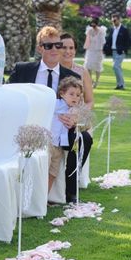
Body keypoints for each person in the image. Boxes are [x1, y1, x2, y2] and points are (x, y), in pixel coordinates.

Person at [48, 76, 93, 204]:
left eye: (78, 95)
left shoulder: (77, 108)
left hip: (65, 139)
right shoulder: (56, 104)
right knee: (52, 168)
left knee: (84, 139)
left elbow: (88, 123)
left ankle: (71, 190)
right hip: (52, 140)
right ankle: (43, 197)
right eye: (72, 94)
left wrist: (77, 119)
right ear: (62, 94)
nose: (75, 98)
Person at [60, 33, 94, 107]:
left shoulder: (82, 71)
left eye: (71, 48)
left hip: (77, 116)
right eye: (64, 47)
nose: (68, 51)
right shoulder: (51, 70)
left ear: (75, 51)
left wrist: (77, 114)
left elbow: (90, 101)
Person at [103, 14, 131, 90]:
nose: (113, 22)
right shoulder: (112, 29)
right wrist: (104, 48)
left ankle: (122, 85)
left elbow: (128, 42)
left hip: (120, 52)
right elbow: (109, 40)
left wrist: (124, 49)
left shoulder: (124, 29)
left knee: (115, 66)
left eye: (115, 20)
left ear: (119, 20)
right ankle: (119, 85)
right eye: (112, 20)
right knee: (117, 68)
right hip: (113, 51)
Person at [83, 17, 106, 88]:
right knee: (88, 66)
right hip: (90, 50)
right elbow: (87, 41)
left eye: (94, 23)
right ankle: (90, 81)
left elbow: (103, 42)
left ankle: (97, 81)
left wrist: (102, 51)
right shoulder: (89, 31)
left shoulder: (101, 31)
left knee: (97, 67)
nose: (93, 25)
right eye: (92, 23)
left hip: (98, 51)